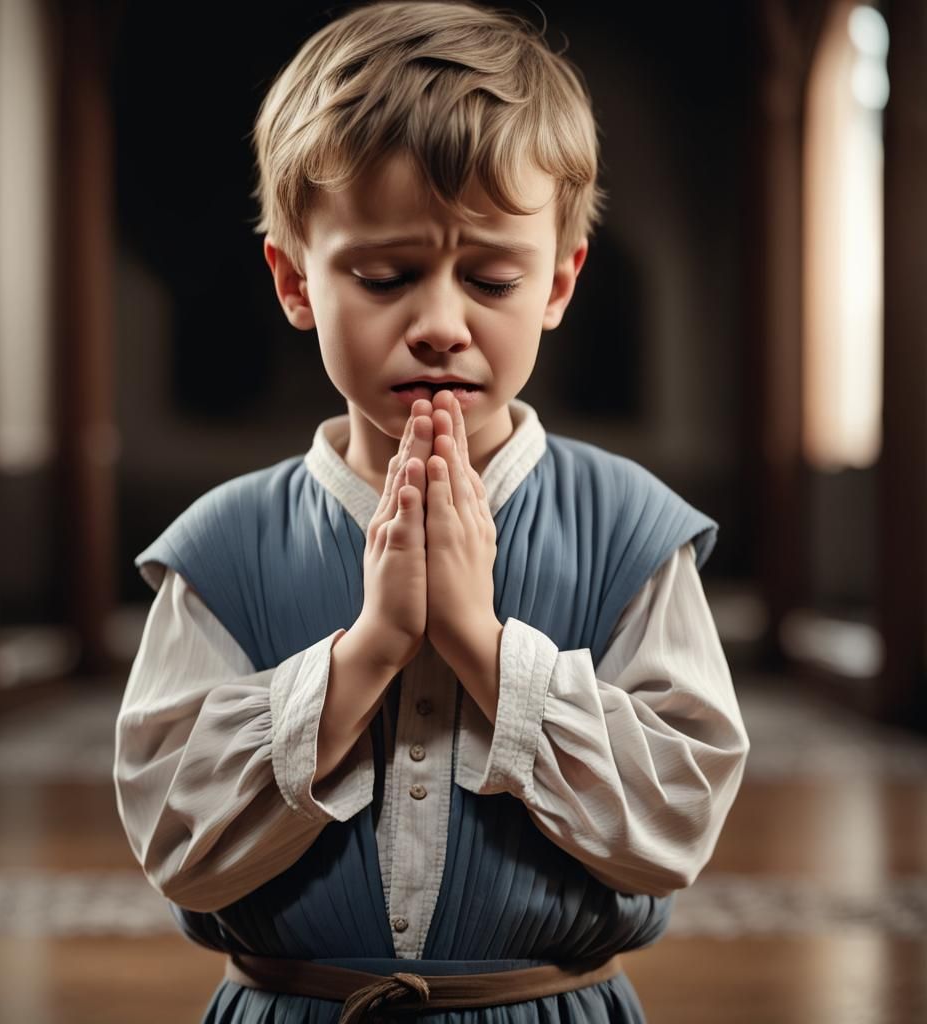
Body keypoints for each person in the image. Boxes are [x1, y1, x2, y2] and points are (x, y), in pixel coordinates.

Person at [113, 2, 751, 1021]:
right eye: (385, 275)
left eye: (491, 277)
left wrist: (478, 644)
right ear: (294, 279)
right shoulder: (221, 548)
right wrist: (368, 651)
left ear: (557, 281)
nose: (442, 325)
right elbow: (175, 840)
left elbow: (672, 823)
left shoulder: (632, 532)